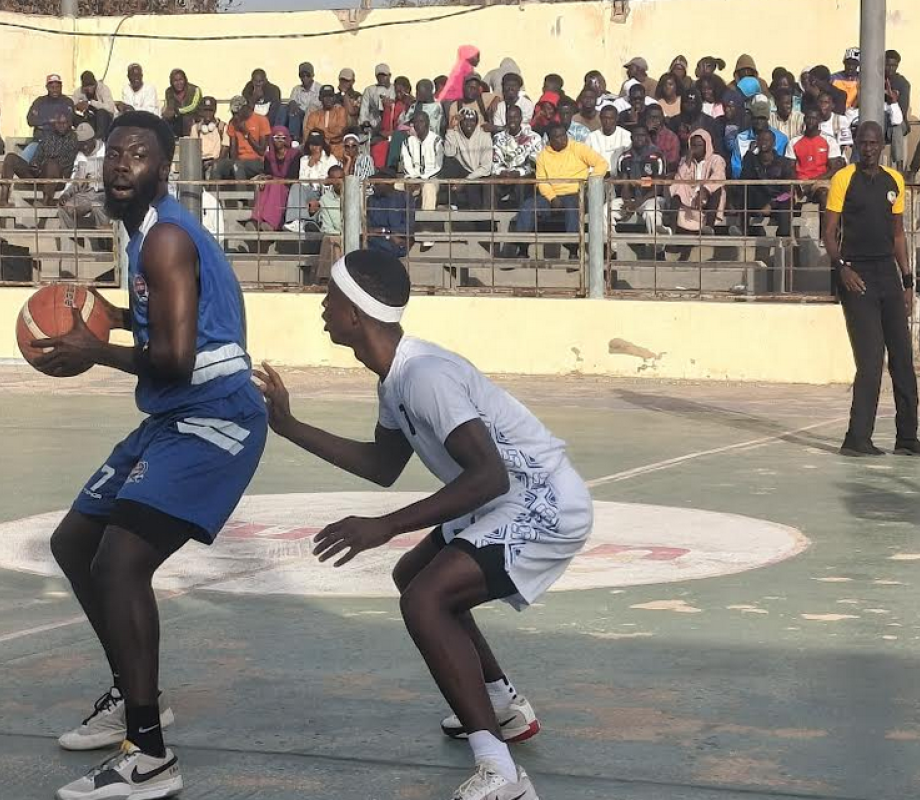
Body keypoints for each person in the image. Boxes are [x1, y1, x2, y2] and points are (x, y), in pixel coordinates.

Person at [253, 248, 592, 800]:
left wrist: (384, 526)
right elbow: (382, 466)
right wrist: (288, 426)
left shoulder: (423, 375)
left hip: (543, 503)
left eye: (331, 297)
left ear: (357, 315)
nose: (322, 305)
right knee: (414, 577)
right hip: (507, 497)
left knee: (425, 599)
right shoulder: (393, 378)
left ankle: (501, 774)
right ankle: (502, 707)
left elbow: (489, 477)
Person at [40, 110, 268, 800]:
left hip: (215, 417)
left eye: (136, 156)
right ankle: (134, 695)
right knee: (74, 543)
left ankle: (149, 754)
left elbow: (171, 358)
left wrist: (94, 348)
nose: (119, 165)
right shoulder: (143, 235)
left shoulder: (166, 239)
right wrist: (103, 317)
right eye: (113, 153)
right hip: (173, 414)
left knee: (120, 562)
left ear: (162, 169)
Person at [823, 122, 920, 458]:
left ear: (882, 145)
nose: (868, 148)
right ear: (855, 144)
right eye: (862, 143)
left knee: (902, 358)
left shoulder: (893, 181)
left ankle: (907, 437)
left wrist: (907, 280)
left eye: (873, 143)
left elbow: (898, 235)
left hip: (888, 273)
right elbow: (828, 233)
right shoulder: (844, 179)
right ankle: (856, 438)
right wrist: (843, 269)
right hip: (857, 273)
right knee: (870, 361)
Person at [510, 121, 608, 256]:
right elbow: (542, 181)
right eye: (558, 137)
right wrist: (552, 198)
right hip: (550, 195)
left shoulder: (579, 148)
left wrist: (590, 180)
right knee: (528, 206)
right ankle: (522, 248)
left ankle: (573, 251)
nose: (563, 139)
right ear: (550, 140)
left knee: (573, 207)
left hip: (575, 192)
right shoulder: (543, 155)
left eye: (564, 135)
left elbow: (602, 164)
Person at [0, 113, 76, 207]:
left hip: (58, 179)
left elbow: (63, 161)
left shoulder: (73, 138)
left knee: (52, 163)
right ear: (54, 124)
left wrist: (45, 162)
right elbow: (38, 154)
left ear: (69, 124)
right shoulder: (48, 136)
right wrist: (35, 165)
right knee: (10, 158)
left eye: (64, 123)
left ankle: (46, 201)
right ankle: (3, 198)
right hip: (40, 174)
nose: (61, 126)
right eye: (59, 123)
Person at [668, 129, 727, 239]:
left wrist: (704, 190)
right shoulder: (686, 160)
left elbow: (719, 177)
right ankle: (671, 229)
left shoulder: (716, 159)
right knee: (677, 186)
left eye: (699, 145)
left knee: (718, 189)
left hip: (708, 195)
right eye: (693, 145)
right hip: (691, 194)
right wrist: (688, 161)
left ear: (706, 145)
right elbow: (679, 178)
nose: (695, 149)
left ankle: (709, 227)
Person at [611, 124, 668, 235]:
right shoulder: (624, 157)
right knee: (606, 211)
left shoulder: (656, 157)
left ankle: (658, 249)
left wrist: (639, 203)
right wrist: (627, 202)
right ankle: (611, 248)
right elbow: (625, 184)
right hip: (630, 199)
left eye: (643, 135)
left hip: (650, 198)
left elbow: (658, 187)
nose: (639, 138)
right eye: (636, 135)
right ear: (631, 137)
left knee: (651, 213)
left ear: (647, 137)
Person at [738, 128, 796, 237]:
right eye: (760, 140)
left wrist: (771, 204)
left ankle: (783, 241)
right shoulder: (751, 160)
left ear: (773, 143)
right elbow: (744, 178)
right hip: (758, 199)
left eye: (767, 140)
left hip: (778, 200)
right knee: (746, 192)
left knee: (786, 205)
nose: (763, 143)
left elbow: (788, 191)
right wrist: (749, 153)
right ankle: (743, 231)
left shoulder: (784, 163)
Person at [786, 108, 845, 211]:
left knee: (824, 195)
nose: (811, 121)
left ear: (819, 120)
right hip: (799, 182)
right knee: (785, 200)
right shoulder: (794, 141)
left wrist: (814, 181)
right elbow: (789, 167)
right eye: (808, 118)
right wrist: (798, 184)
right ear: (804, 120)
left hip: (821, 181)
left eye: (814, 118)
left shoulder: (829, 140)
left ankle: (826, 227)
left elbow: (834, 168)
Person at [57, 123, 108, 232]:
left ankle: (105, 241)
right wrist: (66, 193)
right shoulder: (81, 156)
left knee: (97, 207)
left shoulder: (107, 151)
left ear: (93, 139)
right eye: (81, 145)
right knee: (65, 207)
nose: (84, 147)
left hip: (105, 194)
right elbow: (77, 180)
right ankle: (72, 242)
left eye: (86, 144)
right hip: (86, 194)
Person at [286, 129, 338, 233]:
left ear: (322, 145)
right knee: (296, 187)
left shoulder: (331, 159)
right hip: (308, 191)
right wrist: (310, 164)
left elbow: (330, 183)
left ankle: (308, 222)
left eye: (317, 144)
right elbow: (303, 182)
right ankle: (295, 221)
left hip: (324, 192)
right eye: (312, 144)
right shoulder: (304, 160)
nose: (314, 147)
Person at [441, 108, 493, 209]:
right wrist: (451, 129)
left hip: (480, 174)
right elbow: (449, 153)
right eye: (465, 120)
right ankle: (452, 204)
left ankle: (479, 221)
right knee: (449, 162)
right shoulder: (455, 134)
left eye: (472, 120)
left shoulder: (485, 137)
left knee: (472, 187)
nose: (468, 123)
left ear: (476, 122)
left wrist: (465, 181)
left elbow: (486, 168)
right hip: (463, 171)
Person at [250, 126, 301, 232]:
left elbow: (293, 175)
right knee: (264, 185)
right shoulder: (269, 156)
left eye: (282, 138)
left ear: (286, 139)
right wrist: (265, 178)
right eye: (276, 138)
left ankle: (271, 222)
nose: (279, 141)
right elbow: (268, 173)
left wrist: (275, 179)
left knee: (275, 185)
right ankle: (256, 220)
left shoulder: (295, 155)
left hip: (288, 186)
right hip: (273, 183)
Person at [491, 104, 542, 208]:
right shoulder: (498, 137)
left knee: (522, 183)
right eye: (509, 117)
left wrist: (518, 172)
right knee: (489, 183)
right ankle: (491, 220)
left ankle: (521, 220)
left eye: (515, 117)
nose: (512, 120)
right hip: (503, 176)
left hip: (524, 177)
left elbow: (534, 164)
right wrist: (502, 172)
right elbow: (494, 161)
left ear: (521, 118)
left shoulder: (534, 137)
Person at [731, 96, 790, 179]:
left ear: (767, 118)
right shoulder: (740, 138)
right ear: (751, 118)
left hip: (773, 185)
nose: (759, 121)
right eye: (756, 118)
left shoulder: (781, 139)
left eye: (762, 118)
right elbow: (736, 167)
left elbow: (781, 166)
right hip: (747, 185)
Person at [212, 96, 269, 181]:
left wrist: (246, 132)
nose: (235, 116)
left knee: (238, 165)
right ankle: (212, 193)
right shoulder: (233, 123)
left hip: (257, 161)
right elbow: (233, 152)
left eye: (237, 112)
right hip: (239, 161)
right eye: (233, 113)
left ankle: (241, 193)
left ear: (245, 108)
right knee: (217, 165)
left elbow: (261, 151)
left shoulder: (261, 120)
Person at [401, 111, 444, 212]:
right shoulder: (407, 142)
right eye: (415, 122)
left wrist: (422, 179)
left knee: (428, 188)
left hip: (431, 178)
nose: (418, 125)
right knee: (395, 186)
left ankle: (427, 223)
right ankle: (398, 222)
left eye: (421, 121)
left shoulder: (437, 141)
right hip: (413, 178)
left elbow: (438, 167)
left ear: (428, 123)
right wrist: (412, 179)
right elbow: (407, 165)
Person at [366, 171, 416, 258]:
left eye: (377, 184)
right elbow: (370, 227)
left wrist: (386, 232)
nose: (374, 186)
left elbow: (408, 226)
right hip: (379, 240)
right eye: (374, 183)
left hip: (399, 240)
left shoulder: (405, 198)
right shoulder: (372, 200)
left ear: (389, 183)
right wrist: (387, 234)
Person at [312, 164, 346, 282]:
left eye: (341, 178)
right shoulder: (325, 199)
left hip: (354, 235)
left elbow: (360, 221)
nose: (338, 182)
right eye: (334, 179)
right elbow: (327, 227)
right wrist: (340, 236)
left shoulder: (355, 195)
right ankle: (331, 279)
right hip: (336, 235)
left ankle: (331, 279)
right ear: (330, 181)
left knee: (334, 242)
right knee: (330, 239)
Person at [27, 74, 76, 152]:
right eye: (52, 87)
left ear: (61, 87)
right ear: (47, 87)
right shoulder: (39, 101)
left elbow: (70, 121)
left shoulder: (67, 101)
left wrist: (43, 124)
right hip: (40, 141)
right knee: (21, 159)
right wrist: (49, 120)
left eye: (57, 87)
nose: (55, 90)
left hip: (61, 141)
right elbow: (30, 121)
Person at [305, 85, 351, 158]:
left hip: (338, 148)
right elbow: (308, 135)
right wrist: (328, 133)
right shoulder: (313, 115)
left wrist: (319, 135)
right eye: (325, 96)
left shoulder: (341, 111)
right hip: (318, 150)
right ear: (320, 98)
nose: (328, 99)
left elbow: (339, 131)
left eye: (331, 96)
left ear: (334, 98)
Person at [884, 50, 912, 170]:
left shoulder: (903, 83)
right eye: (888, 65)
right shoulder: (876, 80)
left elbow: (902, 110)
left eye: (894, 65)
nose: (891, 68)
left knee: (897, 127)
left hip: (898, 120)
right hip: (880, 119)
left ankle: (899, 168)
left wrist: (892, 100)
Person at [187, 97, 228, 178]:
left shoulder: (222, 127)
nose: (208, 113)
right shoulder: (195, 128)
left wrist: (214, 163)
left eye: (210, 110)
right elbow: (193, 149)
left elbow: (225, 148)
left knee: (213, 170)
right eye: (205, 110)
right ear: (201, 111)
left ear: (215, 110)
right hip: (200, 162)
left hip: (216, 162)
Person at [586, 105, 631, 173]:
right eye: (604, 118)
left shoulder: (626, 135)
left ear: (617, 118)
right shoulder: (591, 137)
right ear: (600, 118)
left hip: (619, 176)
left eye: (611, 118)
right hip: (597, 175)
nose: (607, 121)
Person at [73, 70, 118, 138]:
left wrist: (91, 103)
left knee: (101, 112)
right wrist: (78, 106)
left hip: (106, 119)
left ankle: (99, 139)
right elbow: (72, 101)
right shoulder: (80, 91)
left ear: (95, 83)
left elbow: (110, 108)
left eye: (91, 86)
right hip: (91, 119)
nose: (89, 89)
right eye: (86, 87)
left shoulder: (103, 89)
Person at [162, 69, 202, 138]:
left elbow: (193, 106)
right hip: (177, 120)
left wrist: (177, 111)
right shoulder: (169, 91)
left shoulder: (195, 90)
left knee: (186, 118)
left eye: (181, 80)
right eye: (175, 81)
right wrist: (166, 113)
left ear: (185, 79)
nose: (178, 83)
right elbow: (169, 106)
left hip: (194, 119)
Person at [287, 62, 322, 141]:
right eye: (302, 75)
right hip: (299, 114)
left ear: (313, 75)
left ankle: (301, 139)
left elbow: (317, 107)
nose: (305, 78)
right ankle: (291, 137)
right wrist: (292, 104)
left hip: (314, 115)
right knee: (285, 109)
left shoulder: (319, 88)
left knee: (310, 108)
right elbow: (292, 102)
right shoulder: (296, 89)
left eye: (308, 75)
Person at [360, 64, 396, 133]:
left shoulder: (395, 89)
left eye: (384, 75)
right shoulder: (370, 90)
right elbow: (364, 110)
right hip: (374, 123)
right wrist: (365, 122)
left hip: (392, 123)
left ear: (389, 75)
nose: (381, 78)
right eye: (379, 76)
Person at [644, 105, 681, 171]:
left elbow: (672, 163)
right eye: (651, 117)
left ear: (662, 118)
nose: (654, 120)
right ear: (646, 118)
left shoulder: (672, 137)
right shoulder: (641, 135)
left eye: (657, 117)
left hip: (664, 175)